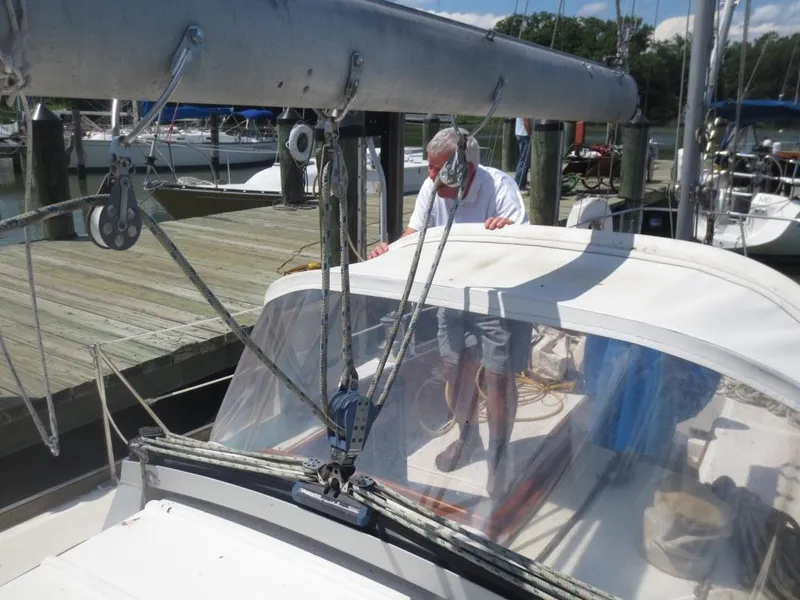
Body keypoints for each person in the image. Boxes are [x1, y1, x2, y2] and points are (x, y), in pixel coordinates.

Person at [369, 127, 532, 497]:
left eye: (439, 170)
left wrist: (506, 231)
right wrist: (389, 249)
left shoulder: (500, 188)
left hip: (498, 298)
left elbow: (522, 244)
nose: (431, 177)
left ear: (467, 168)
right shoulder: (432, 186)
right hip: (452, 291)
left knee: (497, 379)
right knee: (457, 371)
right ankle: (467, 437)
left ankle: (500, 457)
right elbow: (417, 233)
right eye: (429, 168)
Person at [514, 117, 532, 191]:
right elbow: (526, 120)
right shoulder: (527, 106)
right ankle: (518, 184)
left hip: (522, 133)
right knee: (524, 161)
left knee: (525, 161)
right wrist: (531, 134)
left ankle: (522, 184)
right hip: (525, 134)